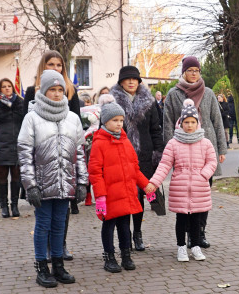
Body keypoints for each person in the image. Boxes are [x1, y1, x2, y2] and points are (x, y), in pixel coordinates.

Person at [18, 69, 88, 288]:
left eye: (60, 90)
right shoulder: (32, 117)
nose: (57, 94)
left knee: (59, 224)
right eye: (52, 90)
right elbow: (24, 152)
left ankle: (58, 265)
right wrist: (30, 186)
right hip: (42, 183)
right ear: (43, 91)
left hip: (65, 181)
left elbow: (80, 151)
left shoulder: (73, 117)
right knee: (43, 225)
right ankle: (42, 266)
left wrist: (82, 182)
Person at [163, 56, 227, 248]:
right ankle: (188, 235)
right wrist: (170, 151)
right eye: (190, 70)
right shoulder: (174, 94)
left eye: (196, 70)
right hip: (182, 152)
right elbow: (167, 123)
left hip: (206, 151)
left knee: (203, 195)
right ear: (183, 72)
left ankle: (199, 234)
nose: (193, 73)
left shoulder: (208, 93)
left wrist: (222, 149)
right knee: (185, 197)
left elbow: (217, 121)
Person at [146, 99, 217, 262]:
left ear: (197, 123)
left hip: (199, 188)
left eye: (193, 122)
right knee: (181, 220)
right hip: (180, 188)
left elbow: (212, 162)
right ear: (181, 123)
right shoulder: (173, 143)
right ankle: (181, 247)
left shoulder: (205, 143)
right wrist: (154, 182)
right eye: (186, 122)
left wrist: (203, 175)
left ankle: (196, 246)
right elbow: (164, 165)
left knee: (196, 220)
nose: (190, 125)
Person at [88, 102, 154, 273]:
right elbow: (95, 172)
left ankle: (126, 255)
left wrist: (146, 185)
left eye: (121, 120)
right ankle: (109, 257)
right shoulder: (99, 143)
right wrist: (100, 197)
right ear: (105, 121)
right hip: (109, 196)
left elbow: (134, 168)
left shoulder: (125, 142)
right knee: (108, 227)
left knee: (125, 226)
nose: (119, 123)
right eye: (115, 120)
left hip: (125, 194)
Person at [110, 65, 165, 251]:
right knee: (124, 196)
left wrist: (158, 153)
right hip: (120, 156)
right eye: (127, 79)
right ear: (121, 82)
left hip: (144, 156)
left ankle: (138, 233)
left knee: (141, 195)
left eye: (135, 79)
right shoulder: (112, 102)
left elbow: (156, 130)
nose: (132, 82)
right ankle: (124, 235)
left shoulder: (149, 102)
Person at [0, 77, 27, 218]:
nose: (7, 88)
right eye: (4, 86)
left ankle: (14, 206)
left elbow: (27, 124)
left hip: (17, 145)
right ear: (0, 89)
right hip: (0, 145)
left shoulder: (20, 102)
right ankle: (4, 205)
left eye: (9, 86)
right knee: (2, 177)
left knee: (16, 177)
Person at [23, 50, 81, 116]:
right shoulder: (32, 91)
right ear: (43, 66)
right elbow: (27, 119)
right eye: (51, 64)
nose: (55, 68)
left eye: (59, 65)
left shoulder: (70, 90)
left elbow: (77, 120)